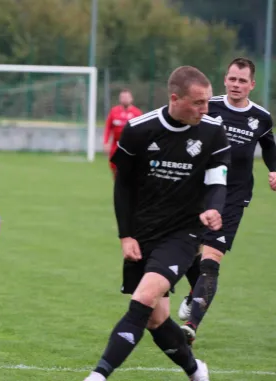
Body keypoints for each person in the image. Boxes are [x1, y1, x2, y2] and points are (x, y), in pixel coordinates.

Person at [84, 66, 231, 381]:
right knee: (156, 319)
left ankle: (98, 376)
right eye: (198, 103)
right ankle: (195, 370)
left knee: (144, 299)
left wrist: (214, 208)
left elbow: (218, 177)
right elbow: (122, 186)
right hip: (143, 232)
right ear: (175, 98)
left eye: (207, 101)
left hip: (183, 233)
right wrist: (126, 236)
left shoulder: (212, 131)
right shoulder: (139, 129)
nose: (205, 109)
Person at [177, 57, 276, 345]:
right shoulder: (209, 107)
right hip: (199, 189)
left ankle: (191, 325)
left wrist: (274, 169)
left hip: (233, 197)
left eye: (242, 80)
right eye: (232, 79)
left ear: (252, 85)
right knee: (185, 250)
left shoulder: (261, 117)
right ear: (224, 79)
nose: (236, 85)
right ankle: (195, 294)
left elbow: (269, 146)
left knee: (211, 260)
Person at [103, 89, 143, 178]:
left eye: (126, 97)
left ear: (131, 99)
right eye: (122, 97)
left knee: (129, 168)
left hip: (131, 145)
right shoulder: (114, 111)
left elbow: (142, 130)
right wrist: (106, 142)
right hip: (116, 144)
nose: (124, 99)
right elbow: (108, 128)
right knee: (114, 166)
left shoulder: (137, 113)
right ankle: (118, 184)